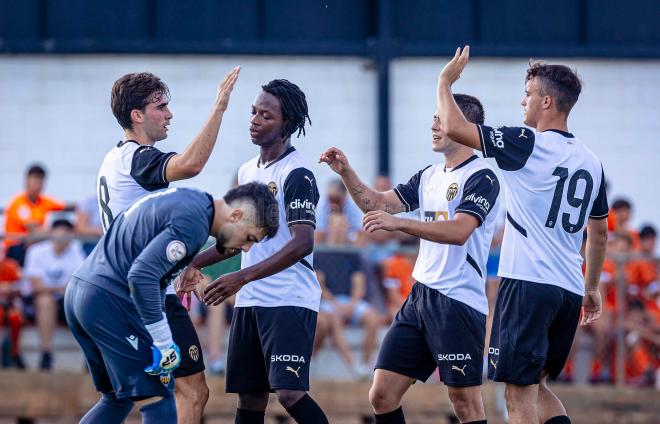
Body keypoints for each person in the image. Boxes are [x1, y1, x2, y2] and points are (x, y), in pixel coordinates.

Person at [436, 47, 609, 424]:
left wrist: (445, 81)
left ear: (546, 101)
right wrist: (591, 287)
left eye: (528, 94)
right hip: (567, 290)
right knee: (537, 387)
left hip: (528, 284)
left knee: (517, 394)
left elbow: (454, 128)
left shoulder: (528, 143)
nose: (522, 101)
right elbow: (598, 233)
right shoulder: (591, 161)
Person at [320, 93, 501, 424]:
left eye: (440, 119)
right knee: (381, 395)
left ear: (463, 127)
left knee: (465, 403)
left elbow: (460, 230)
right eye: (433, 118)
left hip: (458, 302)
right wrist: (346, 173)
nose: (432, 125)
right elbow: (378, 204)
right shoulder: (429, 176)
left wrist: (400, 223)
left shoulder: (482, 177)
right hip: (419, 298)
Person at [179, 79, 329, 424]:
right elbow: (234, 235)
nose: (255, 120)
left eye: (266, 115)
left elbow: (303, 242)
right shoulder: (247, 171)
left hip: (289, 300)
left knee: (290, 394)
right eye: (253, 112)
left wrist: (241, 276)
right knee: (250, 397)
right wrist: (194, 263)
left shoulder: (298, 174)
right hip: (251, 302)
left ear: (287, 124)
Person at [65, 184, 278, 424]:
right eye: (249, 238)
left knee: (116, 399)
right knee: (160, 393)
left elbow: (144, 264)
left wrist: (174, 275)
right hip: (108, 299)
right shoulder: (194, 223)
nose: (246, 248)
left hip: (80, 292)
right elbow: (141, 276)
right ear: (236, 216)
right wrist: (165, 343)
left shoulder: (193, 201)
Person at [97, 67, 239, 422]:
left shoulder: (113, 160)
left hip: (118, 291)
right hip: (142, 294)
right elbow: (191, 164)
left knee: (124, 398)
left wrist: (182, 266)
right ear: (137, 115)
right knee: (190, 391)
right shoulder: (135, 158)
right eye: (161, 106)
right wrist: (219, 107)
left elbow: (147, 230)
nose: (169, 113)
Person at [23, 219, 85, 369]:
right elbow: (36, 286)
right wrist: (59, 288)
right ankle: (46, 353)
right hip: (35, 302)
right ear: (52, 232)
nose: (63, 235)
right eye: (60, 231)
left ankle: (91, 358)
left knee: (87, 303)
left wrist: (54, 288)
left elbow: (80, 284)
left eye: (67, 232)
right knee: (45, 301)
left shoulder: (76, 251)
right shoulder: (36, 251)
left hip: (66, 301)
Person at [4, 164, 66, 266]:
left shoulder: (43, 201)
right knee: (37, 238)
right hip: (16, 248)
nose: (39, 185)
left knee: (63, 234)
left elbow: (64, 207)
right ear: (27, 181)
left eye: (41, 181)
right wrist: (54, 230)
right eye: (36, 181)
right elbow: (34, 230)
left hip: (36, 244)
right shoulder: (18, 203)